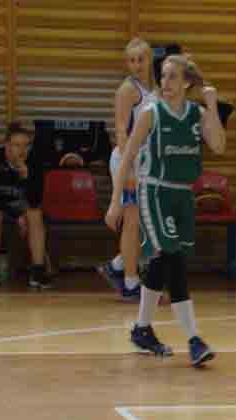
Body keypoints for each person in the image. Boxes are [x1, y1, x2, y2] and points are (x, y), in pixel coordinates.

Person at [107, 54, 226, 367]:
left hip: (183, 195)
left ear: (187, 83)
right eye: (163, 76)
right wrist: (116, 201)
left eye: (173, 76)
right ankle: (194, 338)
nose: (165, 82)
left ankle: (142, 329)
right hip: (155, 191)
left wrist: (212, 106)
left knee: (162, 261)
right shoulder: (151, 113)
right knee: (174, 261)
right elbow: (126, 156)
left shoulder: (197, 114)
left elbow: (218, 145)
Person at [98, 37, 156, 302]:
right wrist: (128, 168)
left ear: (150, 60)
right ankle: (131, 282)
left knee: (144, 224)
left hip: (146, 162)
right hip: (128, 161)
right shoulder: (127, 90)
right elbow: (121, 130)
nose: (136, 65)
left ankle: (117, 265)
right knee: (132, 222)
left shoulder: (154, 88)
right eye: (131, 60)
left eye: (140, 59)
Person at [0, 122, 51, 289]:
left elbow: (35, 200)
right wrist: (17, 214)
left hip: (25, 207)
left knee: (35, 214)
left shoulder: (35, 162)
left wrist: (26, 176)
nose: (22, 150)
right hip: (1, 206)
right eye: (17, 145)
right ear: (7, 146)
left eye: (26, 145)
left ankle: (38, 271)